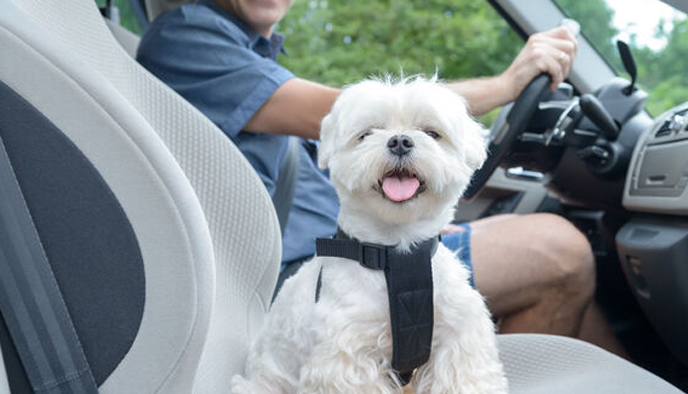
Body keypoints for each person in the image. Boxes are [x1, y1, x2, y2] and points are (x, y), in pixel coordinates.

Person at [137, 0, 624, 354]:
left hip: (353, 249)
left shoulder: (250, 53)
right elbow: (347, 114)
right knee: (560, 252)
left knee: (558, 260)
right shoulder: (187, 37)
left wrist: (402, 224)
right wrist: (505, 85)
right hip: (308, 278)